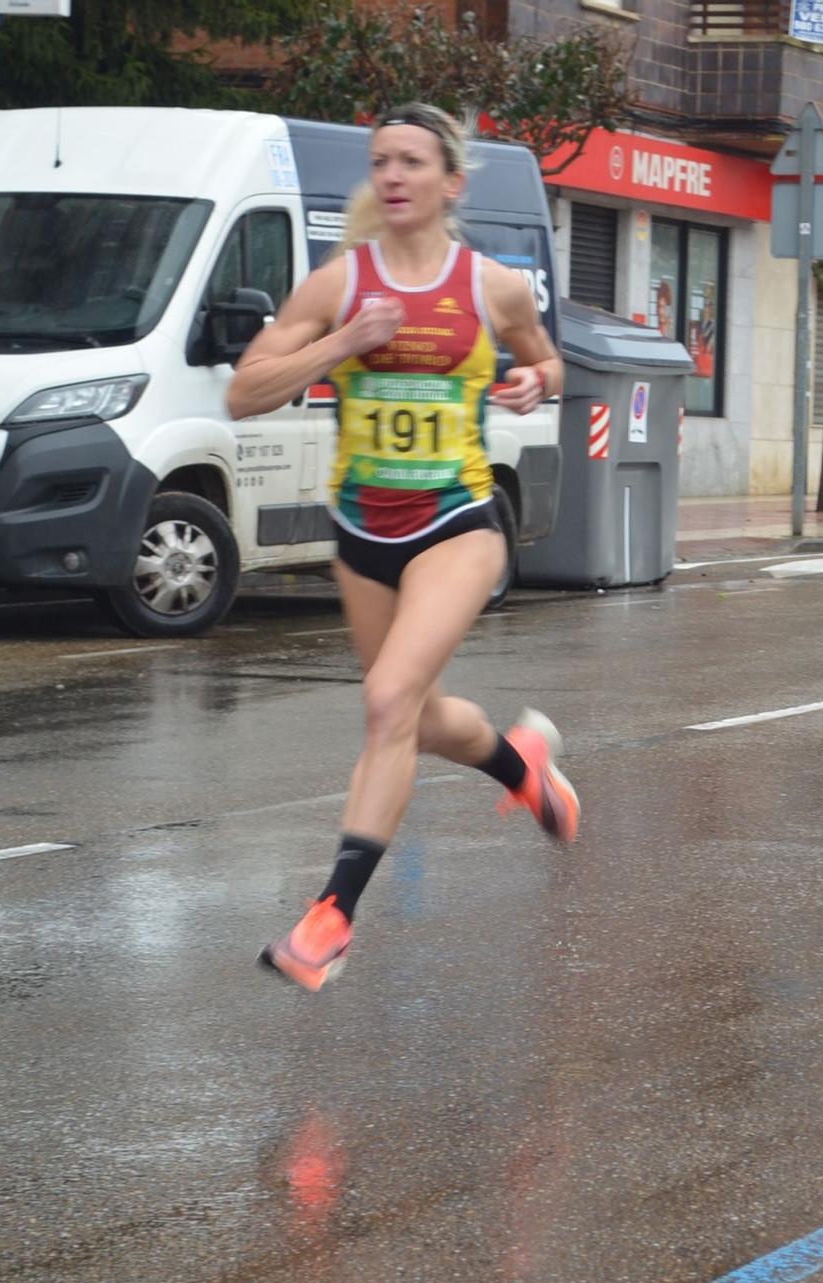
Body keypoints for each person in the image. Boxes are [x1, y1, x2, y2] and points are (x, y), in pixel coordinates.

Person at [227, 103, 581, 991]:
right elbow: (243, 393)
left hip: (456, 522)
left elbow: (550, 359)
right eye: (380, 160)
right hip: (361, 530)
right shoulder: (337, 286)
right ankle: (520, 764)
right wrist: (345, 343)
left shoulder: (491, 286)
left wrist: (537, 380)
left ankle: (330, 917)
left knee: (386, 700)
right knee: (413, 716)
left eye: (412, 162)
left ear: (450, 183)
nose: (391, 175)